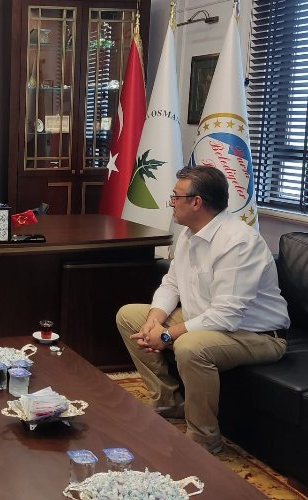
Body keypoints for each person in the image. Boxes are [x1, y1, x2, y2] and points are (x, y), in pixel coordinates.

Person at [116, 165, 289, 454]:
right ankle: (169, 402)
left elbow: (226, 315)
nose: (171, 202)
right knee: (130, 316)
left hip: (256, 334)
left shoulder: (238, 242)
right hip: (206, 319)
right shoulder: (189, 234)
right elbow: (171, 284)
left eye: (176, 196)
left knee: (191, 347)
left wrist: (167, 335)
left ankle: (205, 439)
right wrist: (153, 321)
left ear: (196, 202)